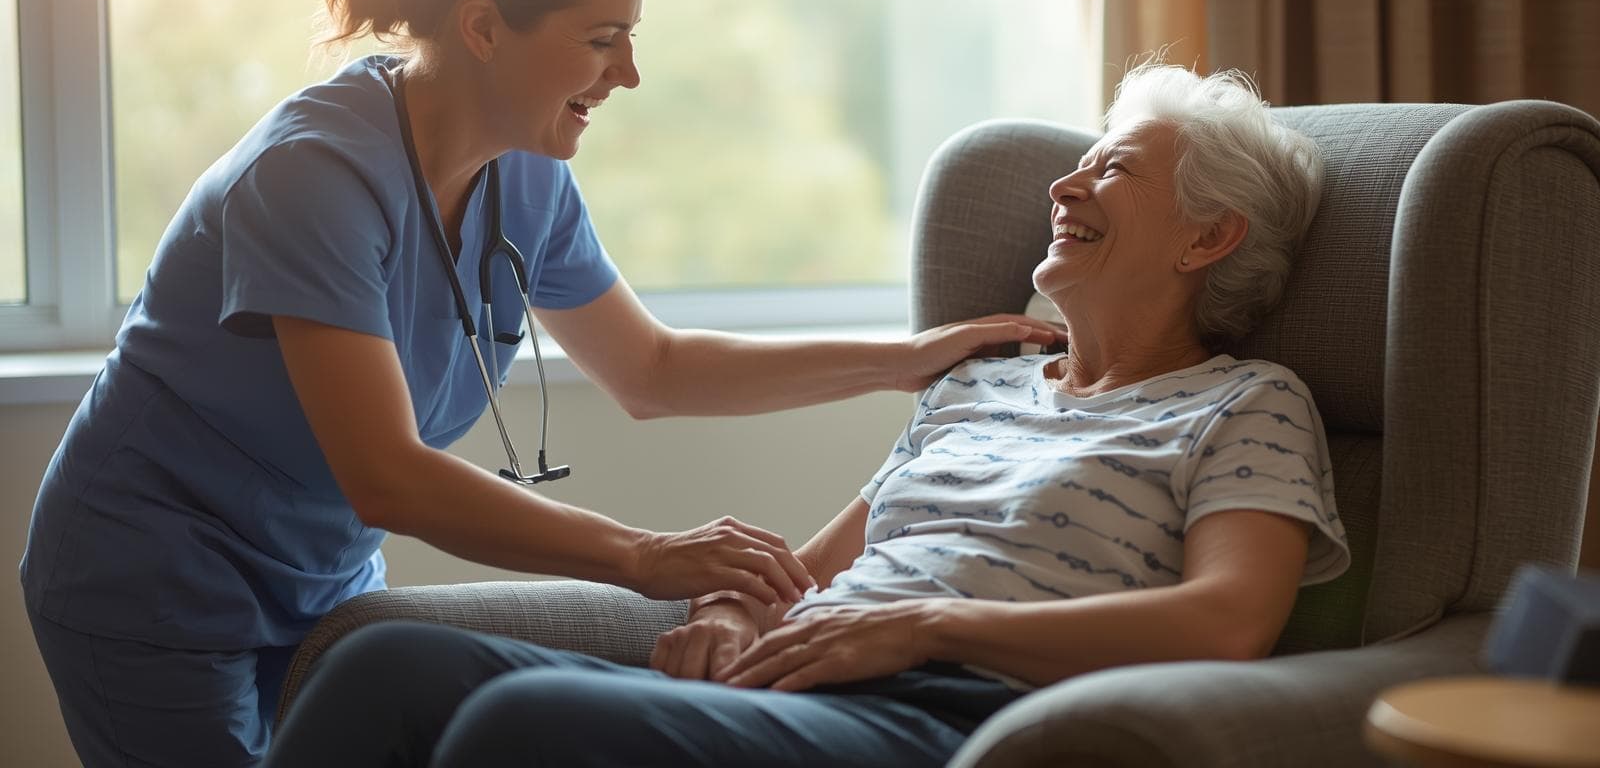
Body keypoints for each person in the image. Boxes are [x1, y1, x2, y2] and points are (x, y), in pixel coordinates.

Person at [17, 0, 1064, 766]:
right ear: (481, 26)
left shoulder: (525, 176)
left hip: (318, 575)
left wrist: (905, 359)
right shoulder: (313, 179)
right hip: (153, 576)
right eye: (601, 38)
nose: (629, 74)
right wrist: (646, 555)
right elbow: (389, 474)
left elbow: (653, 368)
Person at [262, 62, 1352, 768]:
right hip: (810, 681)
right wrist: (739, 618)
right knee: (385, 665)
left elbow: (1227, 621)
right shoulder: (979, 384)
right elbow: (814, 570)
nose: (1065, 186)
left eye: (1112, 169)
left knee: (519, 728)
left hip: (957, 712)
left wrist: (929, 624)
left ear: (1207, 239)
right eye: (1077, 162)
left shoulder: (1245, 402)